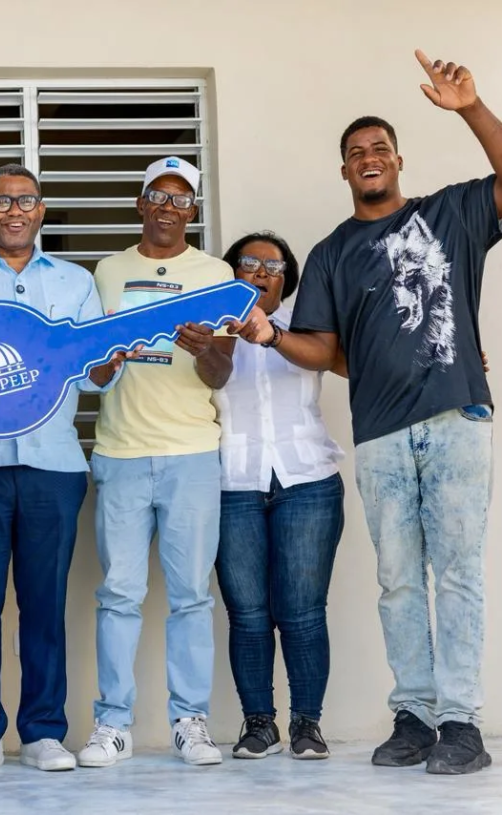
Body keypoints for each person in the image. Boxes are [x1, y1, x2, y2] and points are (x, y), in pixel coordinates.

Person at [231, 51, 502, 776]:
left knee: (459, 573)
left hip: (455, 418)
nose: (369, 158)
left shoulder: (452, 212)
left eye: (380, 147)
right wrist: (269, 334)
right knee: (398, 579)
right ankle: (412, 713)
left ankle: (460, 722)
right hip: (379, 433)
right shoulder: (329, 254)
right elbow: (321, 347)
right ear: (344, 172)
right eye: (356, 153)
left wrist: (472, 106)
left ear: (399, 160)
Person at [0, 164, 126, 775]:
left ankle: (43, 732)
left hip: (52, 463)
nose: (15, 210)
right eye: (2, 201)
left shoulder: (75, 281)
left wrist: (112, 359)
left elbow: (96, 370)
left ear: (41, 211)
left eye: (27, 200)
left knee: (45, 601)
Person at [81, 156, 234, 768]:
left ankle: (191, 723)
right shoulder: (108, 269)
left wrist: (203, 351)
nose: (168, 207)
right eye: (158, 196)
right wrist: (108, 362)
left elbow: (223, 371)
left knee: (192, 595)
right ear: (140, 203)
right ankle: (112, 725)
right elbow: (92, 370)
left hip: (192, 452)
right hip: (120, 451)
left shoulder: (215, 271)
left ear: (192, 212)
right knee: (118, 593)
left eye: (180, 199)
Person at [213, 232, 345, 761]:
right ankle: (258, 724)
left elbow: (360, 359)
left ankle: (308, 724)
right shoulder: (211, 331)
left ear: (286, 278)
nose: (261, 270)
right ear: (232, 273)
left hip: (307, 480)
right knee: (247, 613)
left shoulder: (308, 330)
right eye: (248, 262)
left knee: (303, 612)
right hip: (232, 483)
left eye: (274, 264)